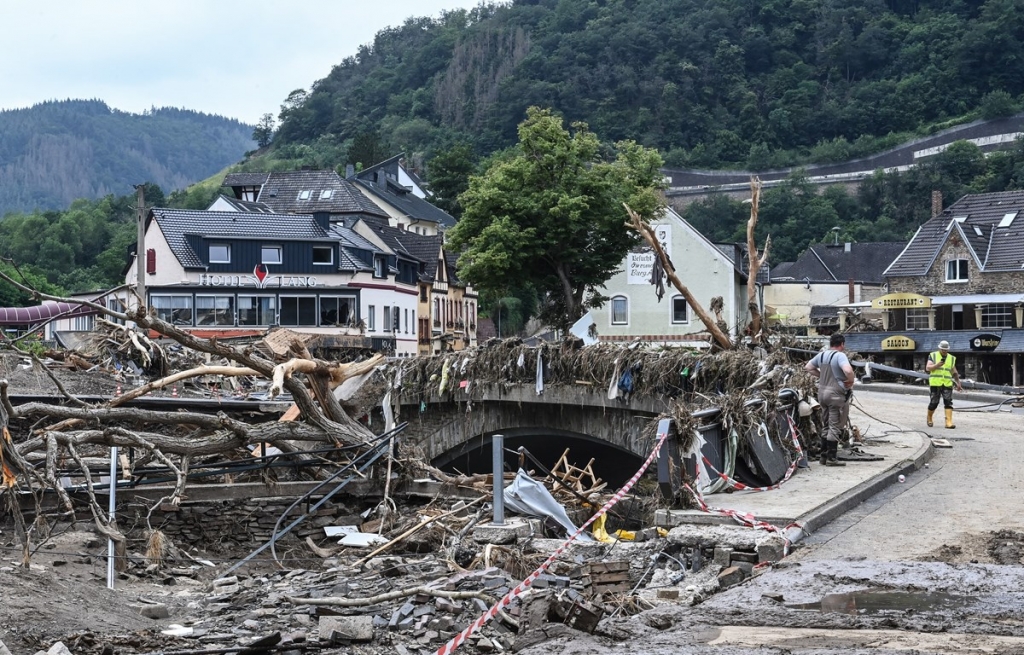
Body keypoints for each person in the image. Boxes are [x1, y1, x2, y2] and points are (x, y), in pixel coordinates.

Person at [805, 333, 855, 466]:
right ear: (842, 344)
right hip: (835, 395)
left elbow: (808, 367)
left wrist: (821, 376)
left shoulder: (821, 355)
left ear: (830, 343)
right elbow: (848, 371)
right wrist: (850, 381)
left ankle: (823, 456)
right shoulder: (840, 356)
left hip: (822, 394)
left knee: (826, 424)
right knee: (835, 425)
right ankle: (831, 458)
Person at [925, 340, 962, 429]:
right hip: (935, 383)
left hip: (947, 383)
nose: (944, 351)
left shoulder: (951, 358)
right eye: (942, 350)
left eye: (946, 350)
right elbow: (928, 368)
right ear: (939, 348)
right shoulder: (933, 355)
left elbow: (954, 372)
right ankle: (929, 417)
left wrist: (958, 383)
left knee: (948, 402)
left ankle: (948, 423)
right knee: (934, 403)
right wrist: (937, 365)